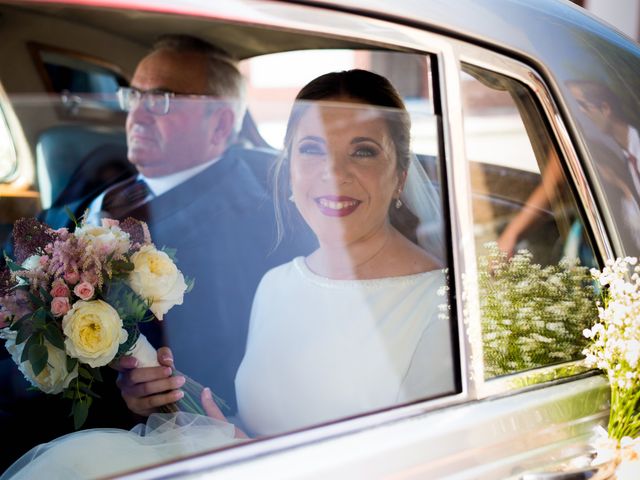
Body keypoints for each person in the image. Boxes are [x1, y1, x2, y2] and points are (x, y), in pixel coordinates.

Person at [0, 70, 454, 479]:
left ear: (399, 175)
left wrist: (255, 456)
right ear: (289, 168)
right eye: (312, 149)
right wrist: (167, 403)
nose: (334, 173)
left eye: (364, 151)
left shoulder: (440, 309)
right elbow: (253, 423)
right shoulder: (277, 283)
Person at [0, 34, 313, 469]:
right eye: (135, 96)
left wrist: (140, 400)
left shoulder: (247, 226)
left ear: (221, 125)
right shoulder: (114, 176)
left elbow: (198, 379)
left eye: (163, 100)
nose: (138, 115)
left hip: (58, 414)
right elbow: (44, 228)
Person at [498, 79, 640, 258]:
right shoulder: (620, 157)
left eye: (580, 107)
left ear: (605, 109)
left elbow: (554, 182)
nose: (577, 115)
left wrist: (511, 234)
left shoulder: (622, 155)